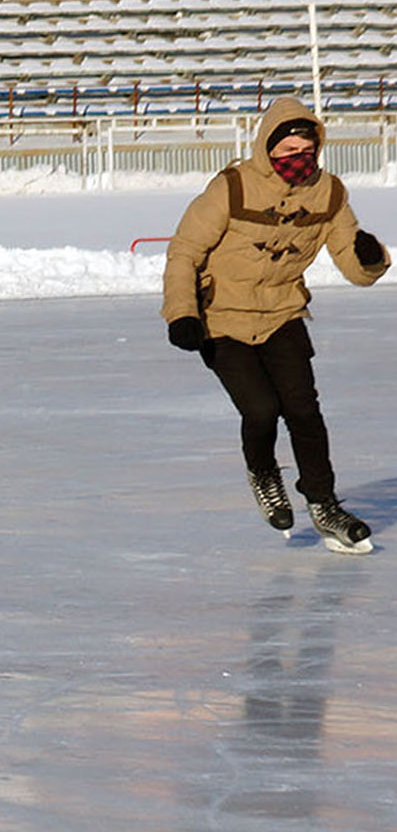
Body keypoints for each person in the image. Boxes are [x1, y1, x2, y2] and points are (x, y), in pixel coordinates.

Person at [162, 97, 387, 553]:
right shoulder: (233, 187)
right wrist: (182, 313)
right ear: (268, 148)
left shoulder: (329, 193)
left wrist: (370, 257)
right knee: (262, 410)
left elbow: (353, 264)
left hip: (284, 312)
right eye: (287, 152)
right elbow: (184, 252)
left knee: (304, 409)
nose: (297, 161)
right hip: (221, 318)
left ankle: (324, 504)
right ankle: (264, 474)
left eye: (306, 152)